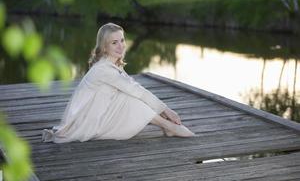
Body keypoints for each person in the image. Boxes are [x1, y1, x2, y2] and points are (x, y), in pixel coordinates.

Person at [42, 22, 195, 143]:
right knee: (129, 99)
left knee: (128, 95)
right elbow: (137, 92)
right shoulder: (104, 69)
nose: (121, 46)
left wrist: (162, 110)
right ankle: (168, 126)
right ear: (104, 46)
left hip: (97, 114)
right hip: (88, 124)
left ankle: (166, 125)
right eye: (114, 43)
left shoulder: (111, 63)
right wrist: (167, 110)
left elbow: (135, 87)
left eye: (122, 40)